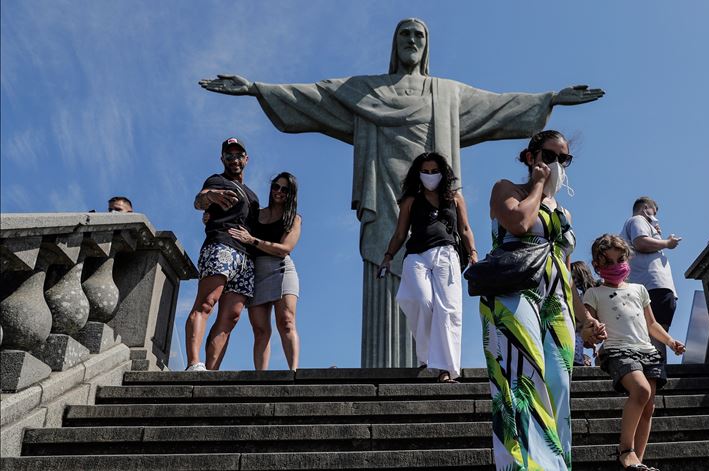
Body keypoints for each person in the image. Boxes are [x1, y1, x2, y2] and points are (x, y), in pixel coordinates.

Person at [199, 18, 605, 368]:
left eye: (419, 36)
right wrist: (256, 89)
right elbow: (314, 97)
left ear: (427, 47)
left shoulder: (446, 94)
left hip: (437, 207)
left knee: (441, 298)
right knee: (396, 281)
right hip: (386, 196)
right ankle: (392, 367)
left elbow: (498, 106)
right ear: (395, 45)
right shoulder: (366, 92)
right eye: (405, 35)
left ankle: (440, 364)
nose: (412, 41)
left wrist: (549, 99)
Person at [481, 130, 606, 470]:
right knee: (524, 378)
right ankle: (525, 466)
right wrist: (537, 185)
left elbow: (565, 268)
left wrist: (584, 318)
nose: (556, 165)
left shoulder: (563, 212)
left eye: (563, 159)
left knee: (559, 383)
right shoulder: (506, 188)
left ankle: (557, 464)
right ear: (531, 157)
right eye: (549, 156)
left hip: (555, 301)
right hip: (513, 291)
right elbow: (519, 222)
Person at [583, 234, 685, 470]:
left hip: (647, 350)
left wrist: (670, 342)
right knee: (640, 390)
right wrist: (589, 335)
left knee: (648, 406)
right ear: (597, 266)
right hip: (618, 350)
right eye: (608, 262)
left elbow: (652, 324)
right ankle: (625, 451)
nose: (616, 266)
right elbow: (586, 325)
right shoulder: (593, 294)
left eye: (620, 259)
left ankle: (637, 462)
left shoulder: (639, 290)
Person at [380, 152, 477, 383]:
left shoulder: (455, 198)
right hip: (416, 256)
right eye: (426, 171)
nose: (430, 175)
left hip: (447, 254)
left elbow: (464, 229)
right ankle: (427, 355)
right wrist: (388, 256)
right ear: (418, 173)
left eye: (435, 171)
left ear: (443, 173)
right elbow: (400, 233)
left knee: (448, 310)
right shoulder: (411, 200)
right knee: (422, 301)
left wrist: (473, 252)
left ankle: (445, 370)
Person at [185, 137, 260, 371]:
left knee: (232, 316)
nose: (234, 159)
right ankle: (193, 364)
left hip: (245, 258)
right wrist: (210, 197)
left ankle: (212, 371)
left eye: (239, 155)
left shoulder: (253, 196)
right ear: (222, 158)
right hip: (221, 245)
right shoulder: (217, 180)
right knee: (207, 303)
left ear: (246, 159)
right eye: (229, 155)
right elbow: (200, 200)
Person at [229, 172, 302, 371]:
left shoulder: (294, 219)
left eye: (284, 189)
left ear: (291, 194)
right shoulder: (256, 214)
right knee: (260, 330)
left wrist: (253, 240)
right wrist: (209, 216)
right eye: (275, 187)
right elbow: (231, 223)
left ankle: (293, 372)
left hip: (281, 270)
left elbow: (285, 248)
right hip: (256, 271)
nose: (278, 192)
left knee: (286, 322)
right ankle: (261, 377)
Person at [620, 196, 681, 362]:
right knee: (655, 333)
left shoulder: (641, 223)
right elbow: (640, 243)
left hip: (656, 286)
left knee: (657, 333)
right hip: (651, 286)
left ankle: (658, 373)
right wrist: (667, 243)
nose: (655, 217)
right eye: (653, 212)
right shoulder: (637, 219)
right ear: (645, 208)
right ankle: (657, 375)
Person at [571, 260, 600, 366]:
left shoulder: (597, 288)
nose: (574, 281)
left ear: (583, 274)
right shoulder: (579, 296)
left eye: (576, 277)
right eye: (572, 279)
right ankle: (578, 361)